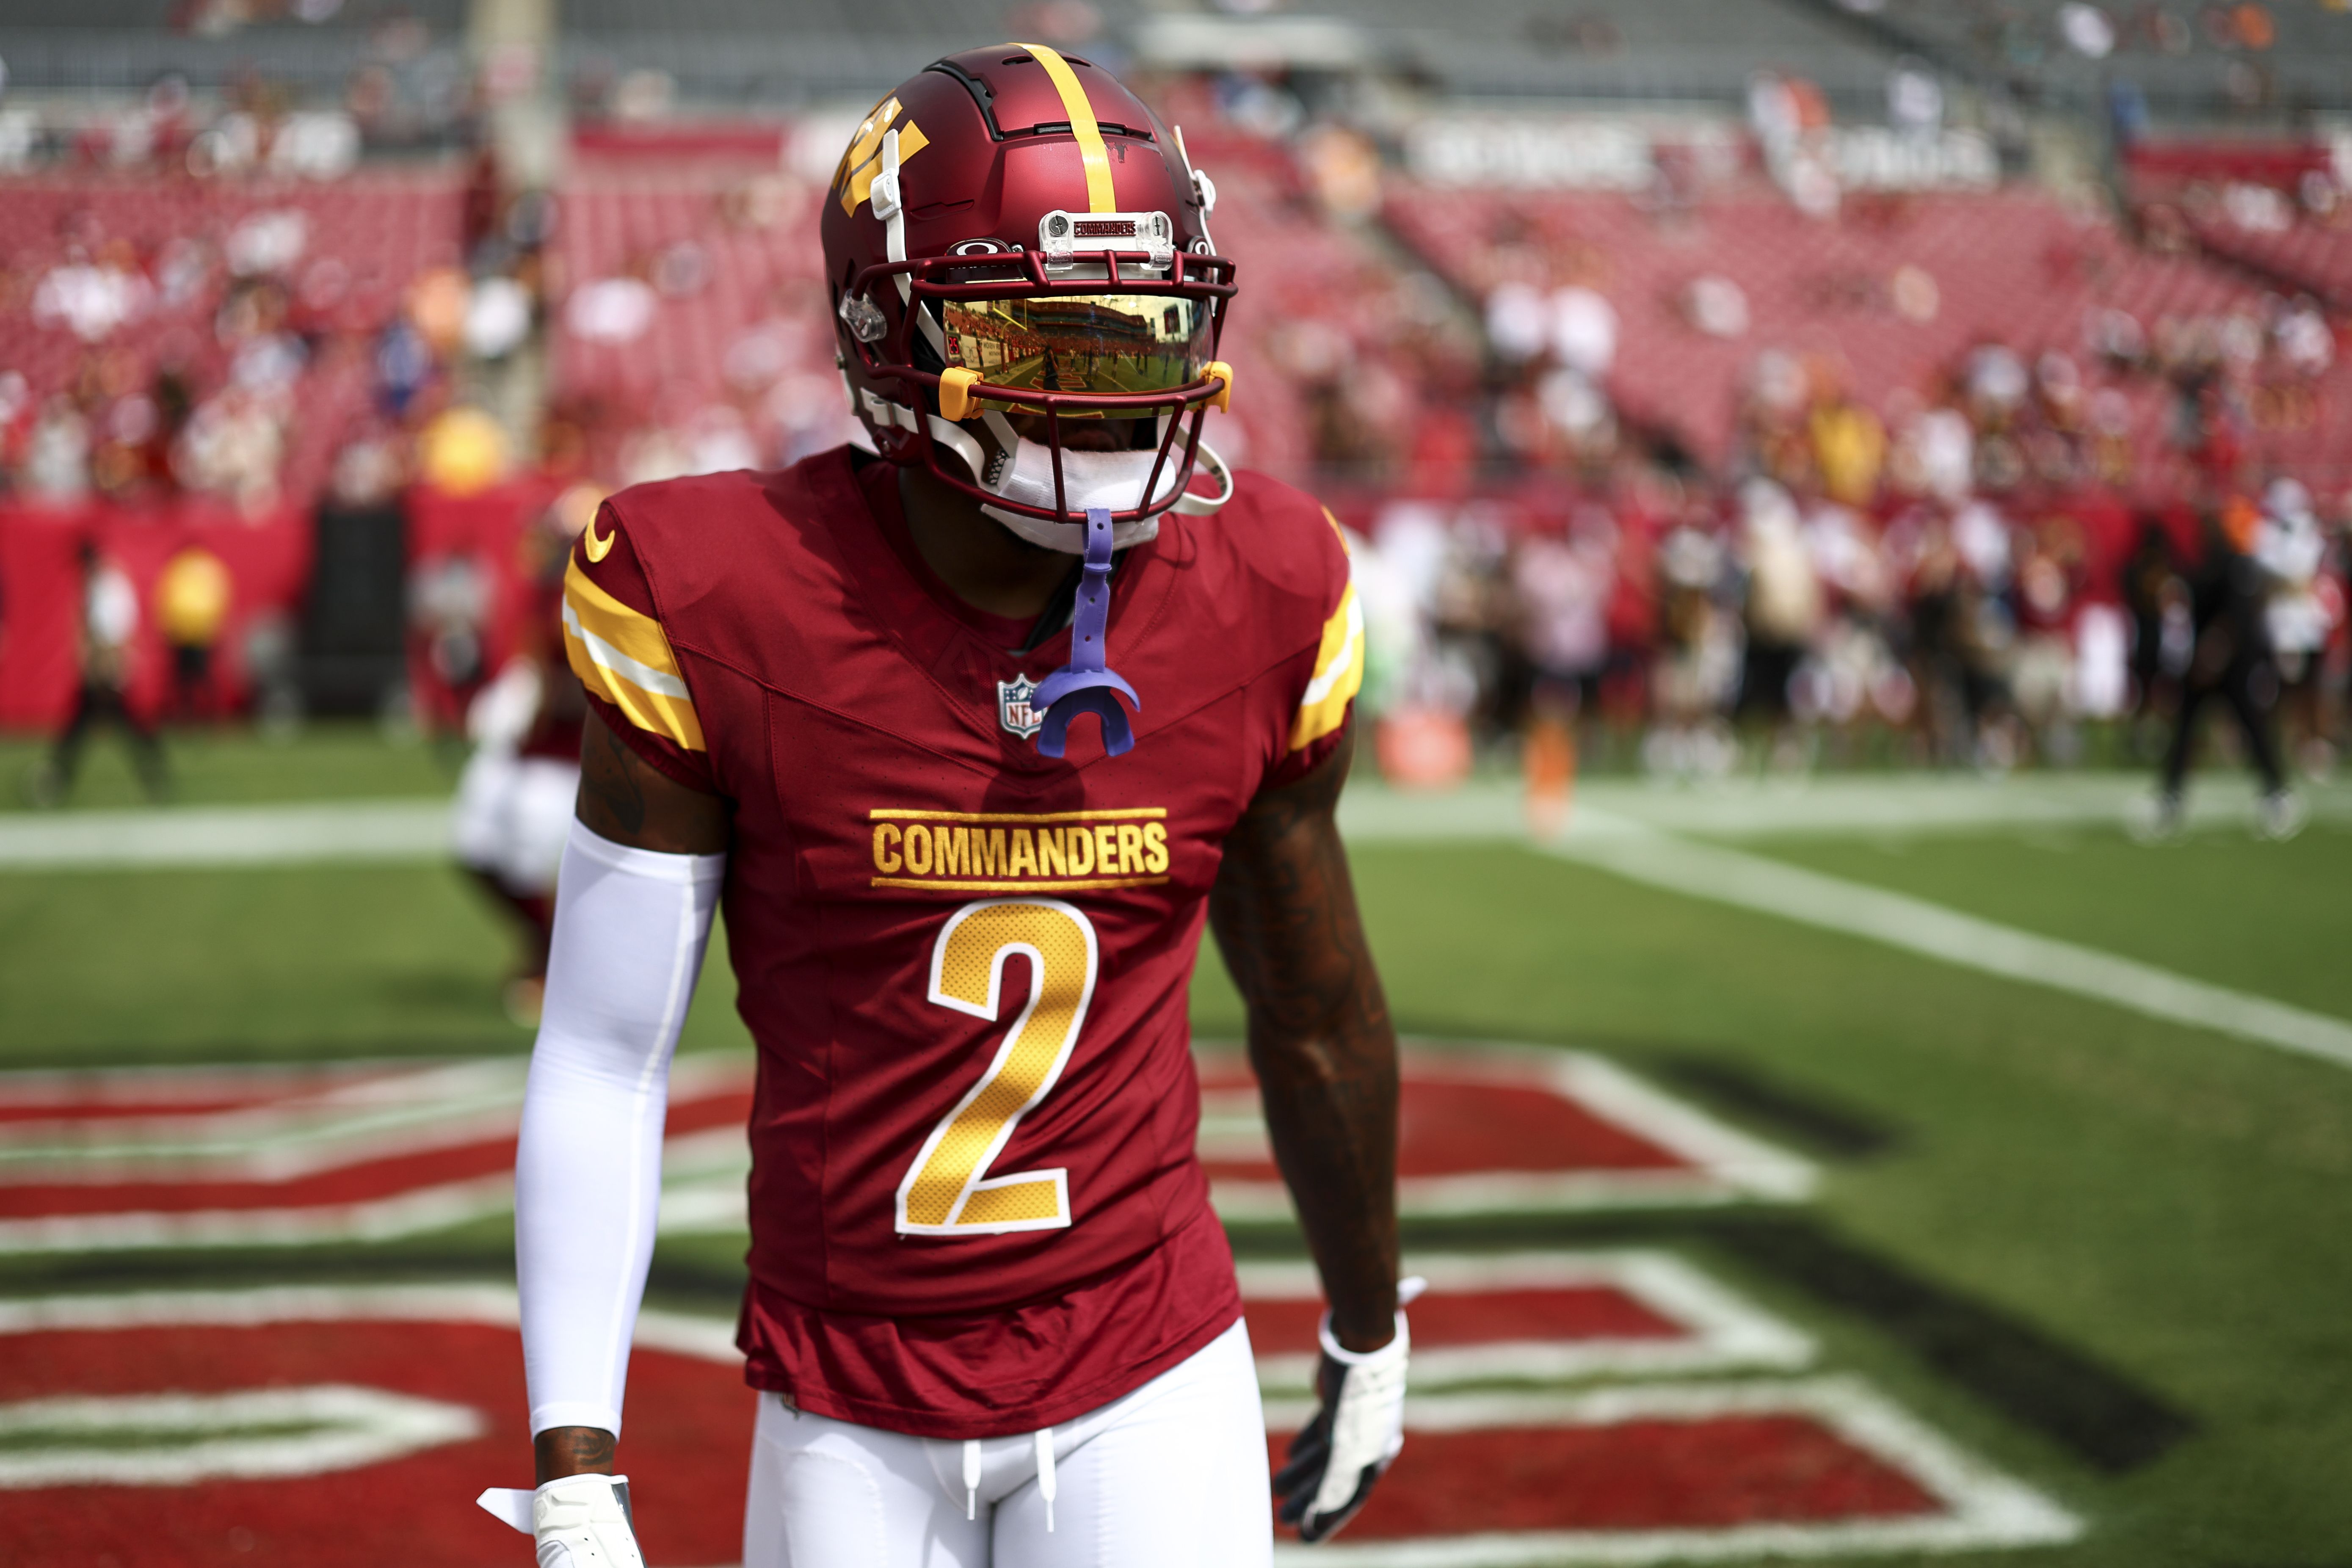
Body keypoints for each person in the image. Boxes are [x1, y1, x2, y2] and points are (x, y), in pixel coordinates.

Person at [480, 46, 1406, 1568]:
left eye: (1138, 334)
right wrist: (574, 1458)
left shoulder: (1264, 588)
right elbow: (601, 1046)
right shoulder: (726, 591)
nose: (1100, 390)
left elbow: (1317, 1009)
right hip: (847, 1387)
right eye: (1040, 335)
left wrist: (1371, 1327)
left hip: (1145, 1358)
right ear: (882, 327)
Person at [2144, 498, 2301, 840]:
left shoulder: (2236, 566)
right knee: (2186, 731)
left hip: (2232, 664)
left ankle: (2276, 793)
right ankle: (2171, 797)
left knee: (2252, 727)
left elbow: (2237, 618)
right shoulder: (2200, 566)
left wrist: (2213, 654)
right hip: (2203, 665)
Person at [28, 538, 167, 806]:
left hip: (106, 669)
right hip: (105, 668)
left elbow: (112, 632)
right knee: (96, 725)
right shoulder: (103, 583)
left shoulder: (106, 585)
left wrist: (104, 669)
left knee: (104, 724)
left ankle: (57, 780)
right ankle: (153, 772)